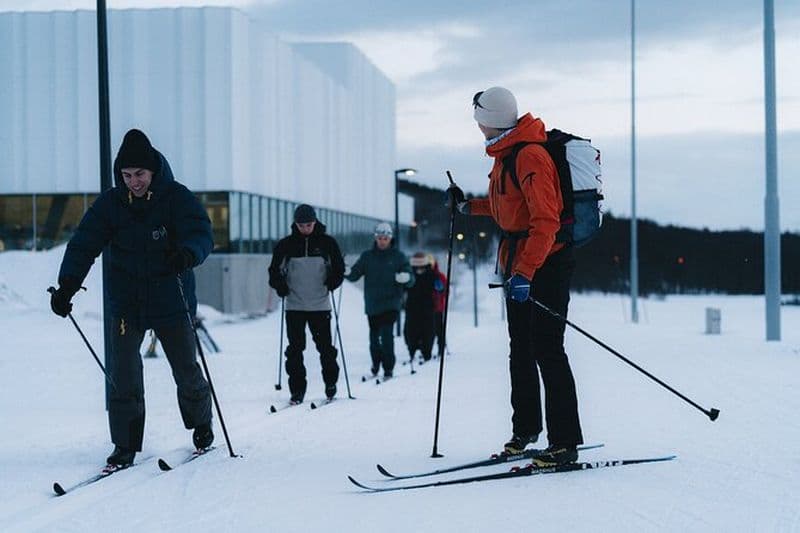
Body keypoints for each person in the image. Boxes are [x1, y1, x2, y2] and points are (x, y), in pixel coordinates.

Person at [49, 129, 214, 467]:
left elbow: (201, 233)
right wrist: (67, 285)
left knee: (185, 369)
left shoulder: (175, 197)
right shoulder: (111, 204)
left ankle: (201, 424)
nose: (134, 182)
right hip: (127, 302)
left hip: (172, 297)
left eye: (139, 174)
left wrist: (187, 253)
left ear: (153, 170)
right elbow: (85, 243)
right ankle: (125, 444)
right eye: (127, 175)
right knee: (123, 374)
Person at [449, 87, 584, 466]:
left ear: (490, 120)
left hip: (546, 263)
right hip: (518, 264)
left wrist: (526, 272)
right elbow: (506, 209)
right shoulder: (506, 155)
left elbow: (546, 221)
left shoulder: (530, 156)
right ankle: (525, 430)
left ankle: (564, 442)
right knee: (520, 350)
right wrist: (467, 206)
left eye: (479, 120)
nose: (478, 127)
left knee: (547, 349)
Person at [268, 204, 345, 404]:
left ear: (315, 222)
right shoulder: (286, 245)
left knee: (325, 348)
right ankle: (297, 390)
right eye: (301, 225)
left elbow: (339, 268)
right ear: (296, 224)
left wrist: (333, 282)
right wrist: (280, 286)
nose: (305, 228)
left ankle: (330, 383)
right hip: (294, 304)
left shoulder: (327, 243)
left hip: (320, 305)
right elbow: (274, 271)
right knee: (295, 349)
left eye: (309, 224)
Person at [345, 222, 414, 379]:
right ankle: (376, 363)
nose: (382, 241)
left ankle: (388, 367)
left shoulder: (398, 256)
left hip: (391, 303)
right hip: (372, 303)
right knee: (374, 338)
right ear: (375, 238)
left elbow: (411, 278)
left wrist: (406, 277)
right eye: (380, 238)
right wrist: (346, 271)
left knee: (387, 335)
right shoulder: (367, 256)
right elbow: (355, 274)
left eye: (385, 238)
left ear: (390, 239)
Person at [403, 252, 437, 362]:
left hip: (427, 307)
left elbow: (437, 288)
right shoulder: (409, 274)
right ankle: (412, 350)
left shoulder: (431, 274)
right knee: (411, 331)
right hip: (412, 307)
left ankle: (426, 351)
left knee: (428, 331)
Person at [428, 254, 447, 357]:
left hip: (437, 308)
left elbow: (445, 291)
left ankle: (440, 348)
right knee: (430, 330)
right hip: (429, 308)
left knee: (438, 330)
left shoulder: (440, 276)